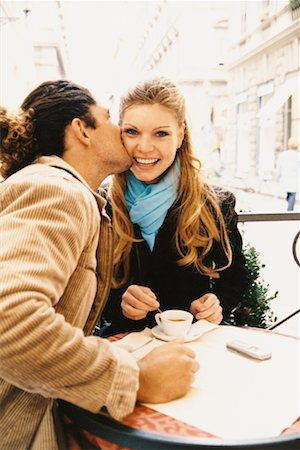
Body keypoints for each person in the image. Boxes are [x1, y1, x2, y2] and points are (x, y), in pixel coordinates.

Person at [0, 80, 199, 450]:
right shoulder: (57, 191)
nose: (120, 134)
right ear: (82, 130)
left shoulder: (71, 193)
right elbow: (8, 320)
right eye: (109, 119)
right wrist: (136, 377)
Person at [101, 77, 250, 336]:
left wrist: (218, 304)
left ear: (180, 135)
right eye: (132, 132)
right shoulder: (103, 204)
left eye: (161, 133)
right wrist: (120, 303)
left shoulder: (216, 204)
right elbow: (89, 291)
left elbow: (236, 279)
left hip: (196, 345)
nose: (144, 147)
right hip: (127, 349)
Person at [276, 137, 300, 211]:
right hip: (293, 178)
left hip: (287, 178)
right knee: (290, 195)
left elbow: (278, 167)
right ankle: (290, 210)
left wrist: (278, 177)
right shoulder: (298, 155)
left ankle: (289, 212)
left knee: (291, 195)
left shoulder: (283, 154)